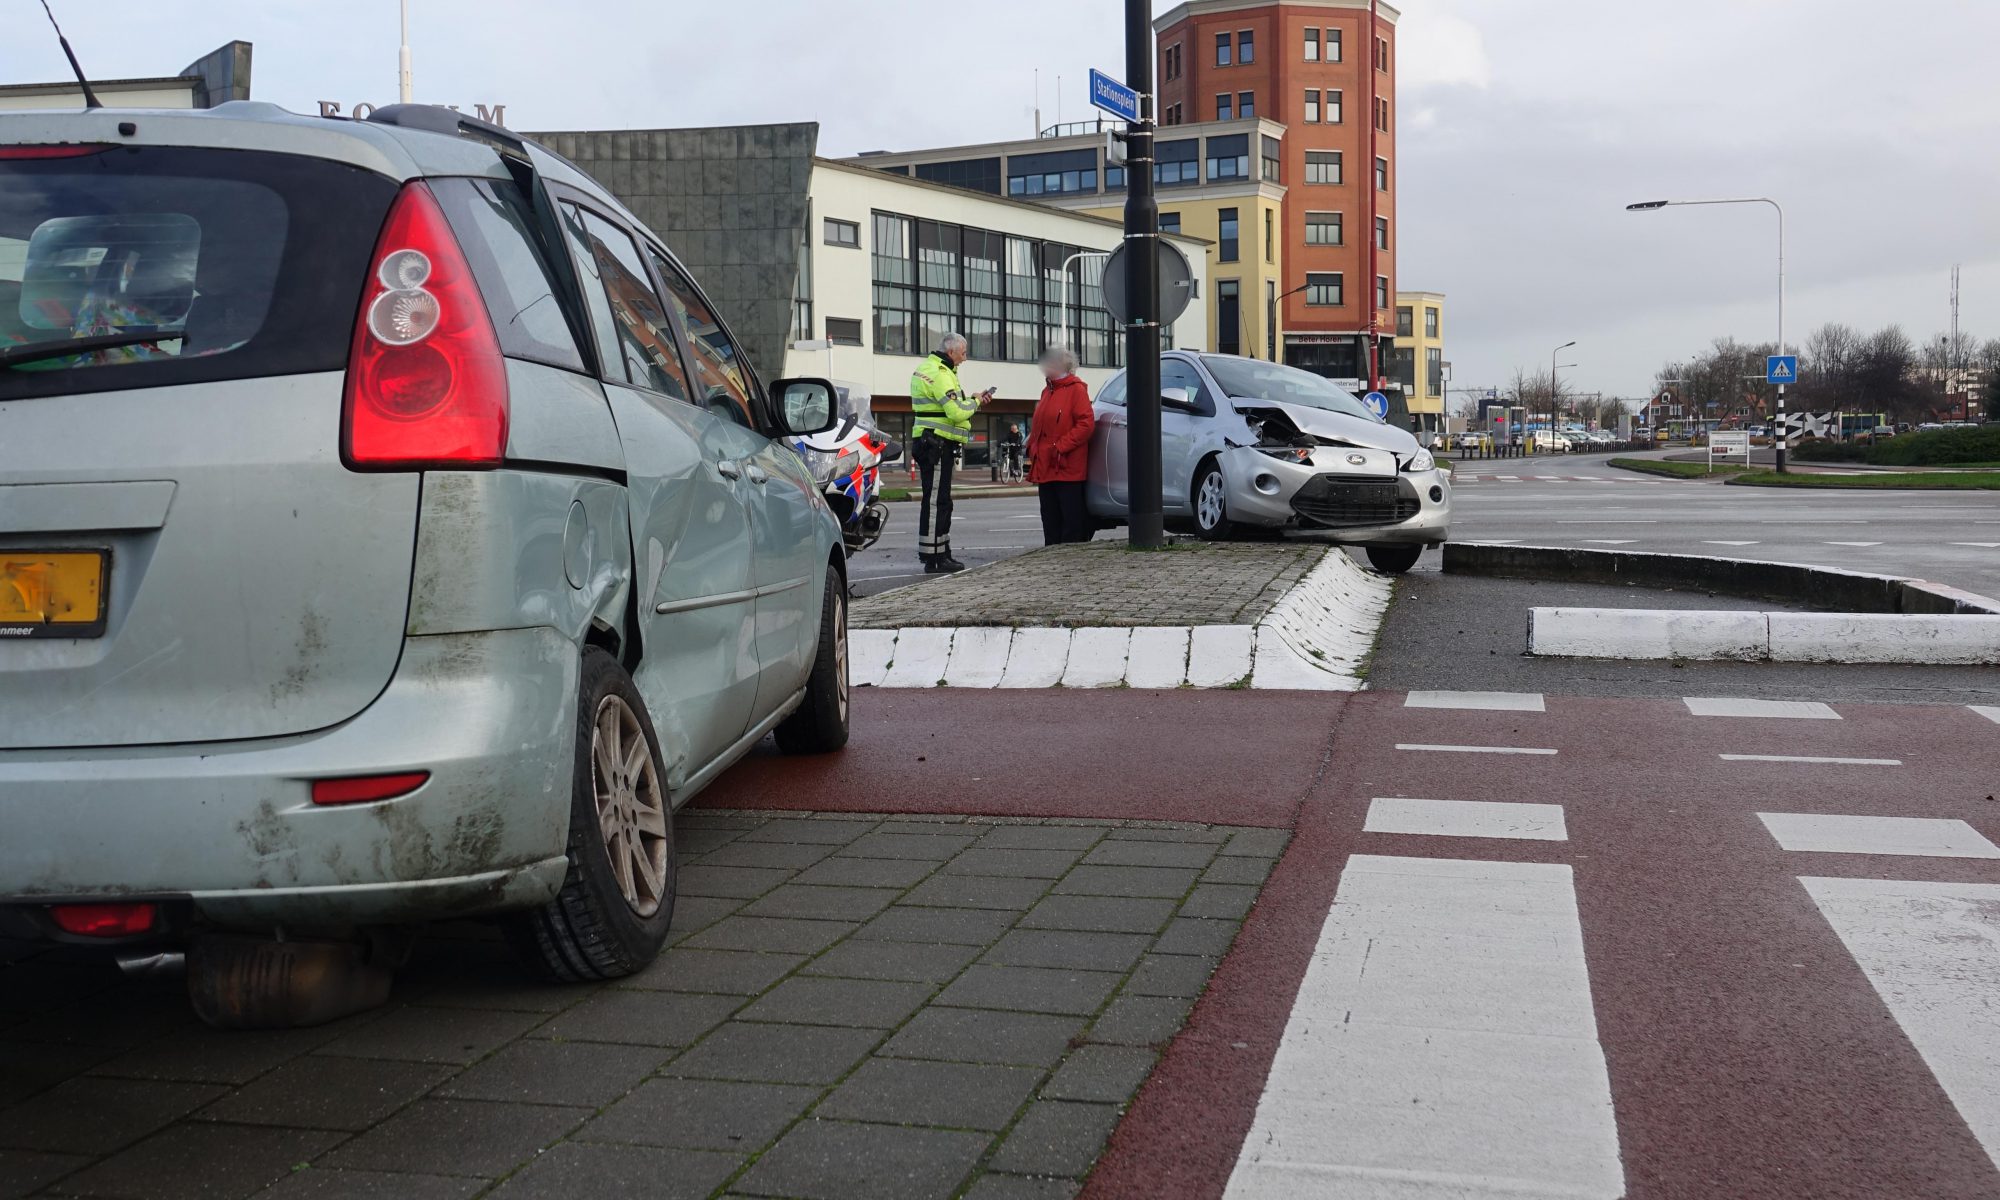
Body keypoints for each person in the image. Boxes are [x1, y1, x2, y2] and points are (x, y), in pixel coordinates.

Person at [909, 332, 993, 573]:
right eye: (963, 353)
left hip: (933, 443)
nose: (965, 358)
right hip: (935, 445)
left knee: (941, 501)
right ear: (951, 351)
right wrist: (976, 403)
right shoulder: (940, 374)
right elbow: (956, 412)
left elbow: (948, 404)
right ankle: (935, 559)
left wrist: (973, 397)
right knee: (937, 503)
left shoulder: (934, 369)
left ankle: (939, 553)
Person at [1026, 345, 1096, 546]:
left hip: (1066, 467)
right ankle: (1052, 559)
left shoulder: (1076, 390)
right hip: (1046, 465)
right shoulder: (1046, 391)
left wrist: (1061, 446)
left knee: (1070, 521)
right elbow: (1039, 427)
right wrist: (1033, 448)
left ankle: (1068, 562)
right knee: (1050, 519)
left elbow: (1086, 424)